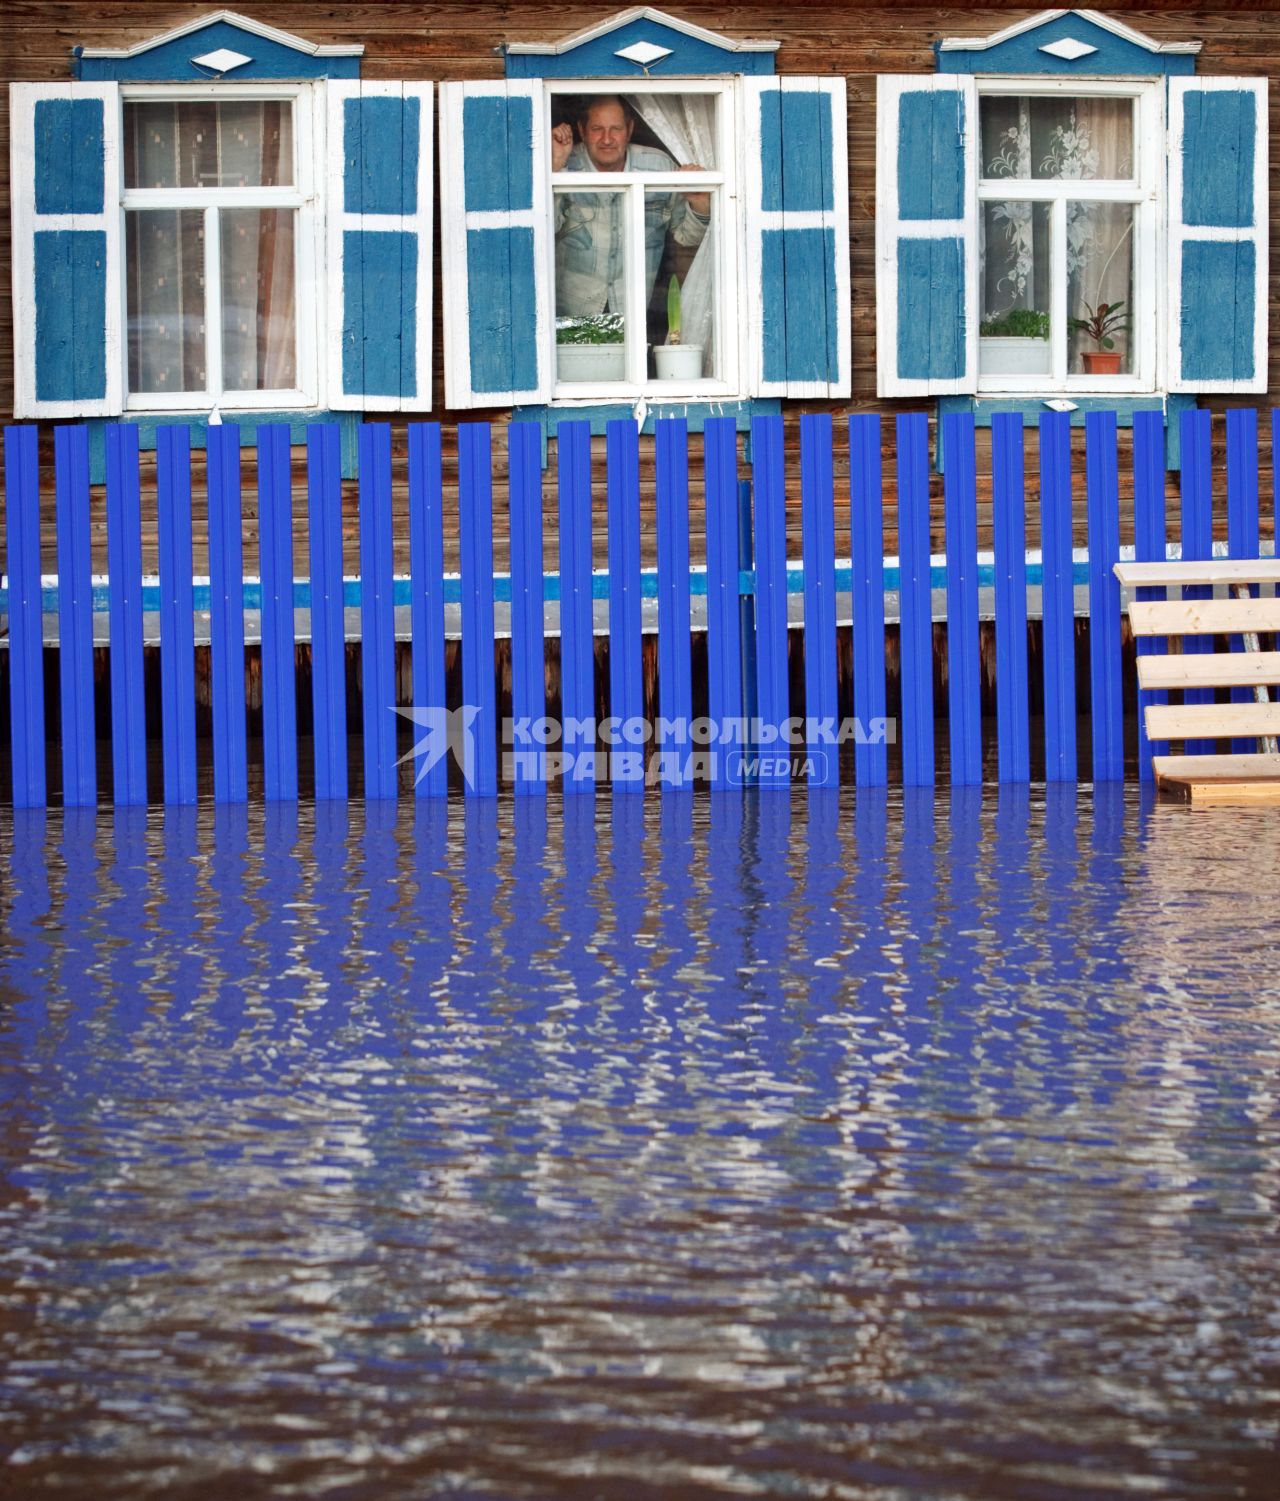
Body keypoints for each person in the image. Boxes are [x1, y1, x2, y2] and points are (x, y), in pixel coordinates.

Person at [551, 95, 709, 320]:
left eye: (616, 128)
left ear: (630, 129)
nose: (607, 139)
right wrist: (555, 169)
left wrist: (700, 202)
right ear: (582, 130)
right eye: (597, 128)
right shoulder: (566, 164)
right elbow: (542, 229)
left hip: (633, 317)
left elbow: (689, 238)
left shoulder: (659, 168)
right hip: (569, 321)